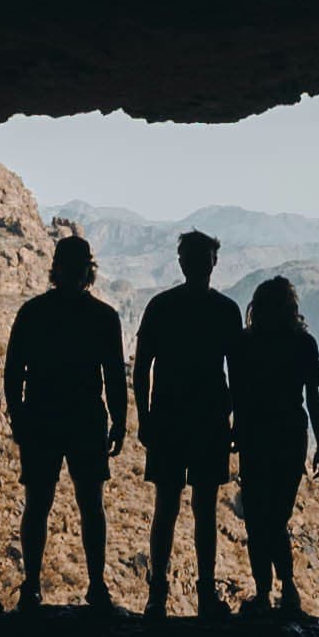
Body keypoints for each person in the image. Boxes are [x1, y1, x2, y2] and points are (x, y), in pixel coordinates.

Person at [4, 230, 128, 607]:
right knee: (91, 504)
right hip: (86, 417)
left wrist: (18, 419)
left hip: (41, 416)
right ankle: (97, 585)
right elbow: (114, 377)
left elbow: (12, 373)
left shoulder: (33, 312)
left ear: (55, 269)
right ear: (88, 269)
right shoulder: (103, 317)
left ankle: (31, 586)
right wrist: (119, 422)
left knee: (38, 503)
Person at [133, 230, 245, 615]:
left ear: (182, 262)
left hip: (168, 415)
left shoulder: (161, 306)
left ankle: (157, 594)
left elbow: (142, 366)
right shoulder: (226, 310)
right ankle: (205, 594)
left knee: (167, 506)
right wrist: (238, 422)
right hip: (210, 416)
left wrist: (143, 415)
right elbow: (239, 373)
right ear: (212, 262)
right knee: (205, 509)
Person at [229, 273, 319, 618]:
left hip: (256, 436)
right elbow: (313, 395)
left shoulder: (245, 342)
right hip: (290, 435)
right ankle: (287, 589)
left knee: (258, 519)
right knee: (276, 517)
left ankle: (266, 592)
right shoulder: (303, 343)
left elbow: (238, 393)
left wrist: (236, 430)